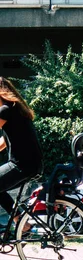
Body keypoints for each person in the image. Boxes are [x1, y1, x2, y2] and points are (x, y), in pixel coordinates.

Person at [0, 77, 43, 229]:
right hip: (32, 164)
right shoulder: (16, 110)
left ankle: (22, 223)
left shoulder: (5, 111)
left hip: (21, 165)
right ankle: (23, 225)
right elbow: (3, 143)